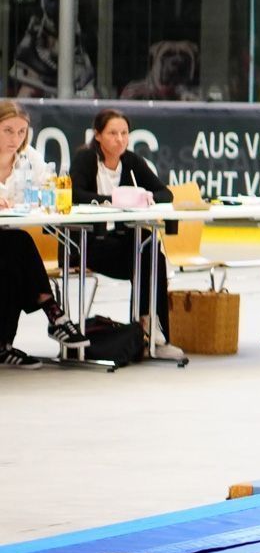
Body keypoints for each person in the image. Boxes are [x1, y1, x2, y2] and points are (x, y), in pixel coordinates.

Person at [70, 108, 185, 361]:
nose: (120, 139)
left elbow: (166, 193)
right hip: (88, 244)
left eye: (124, 133)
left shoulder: (131, 161)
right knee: (145, 253)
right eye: (113, 133)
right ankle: (146, 330)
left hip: (121, 244)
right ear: (98, 135)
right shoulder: (85, 159)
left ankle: (151, 329)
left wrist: (146, 197)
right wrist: (113, 200)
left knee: (151, 252)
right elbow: (74, 194)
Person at [0, 102, 86, 367]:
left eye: (21, 132)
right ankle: (53, 311)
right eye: (7, 131)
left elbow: (46, 188)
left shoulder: (29, 158)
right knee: (16, 245)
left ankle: (3, 346)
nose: (15, 139)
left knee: (11, 257)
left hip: (6, 239)